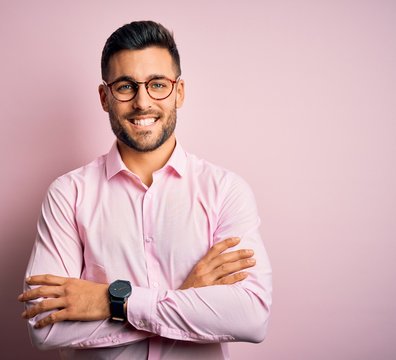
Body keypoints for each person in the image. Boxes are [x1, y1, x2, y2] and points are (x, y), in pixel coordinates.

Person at [18, 20, 272, 360]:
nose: (142, 102)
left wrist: (109, 301)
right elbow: (45, 327)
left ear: (179, 92)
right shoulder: (67, 195)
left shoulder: (225, 191)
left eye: (157, 84)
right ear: (104, 97)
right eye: (125, 86)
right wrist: (183, 297)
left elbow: (251, 317)